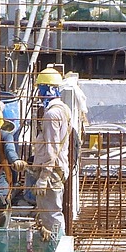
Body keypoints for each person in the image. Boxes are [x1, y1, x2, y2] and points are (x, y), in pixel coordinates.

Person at [30, 66, 73, 238]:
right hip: (59, 169)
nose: (39, 94)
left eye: (40, 89)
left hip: (51, 172)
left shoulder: (51, 115)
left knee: (51, 216)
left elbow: (51, 147)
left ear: (48, 88)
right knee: (51, 214)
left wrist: (43, 177)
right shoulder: (64, 109)